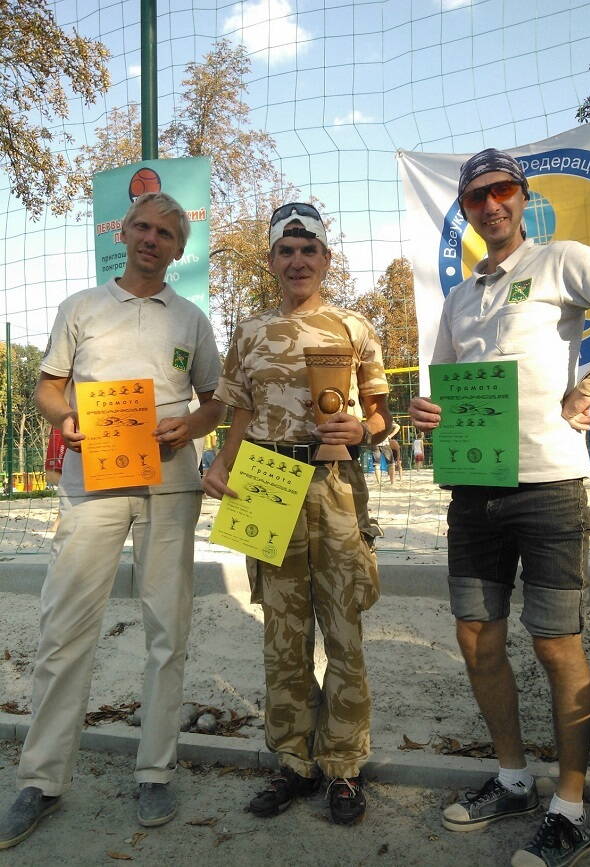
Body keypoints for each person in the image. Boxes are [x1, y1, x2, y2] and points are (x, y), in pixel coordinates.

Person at [410, 148, 590, 867]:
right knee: (476, 637)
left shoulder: (559, 260)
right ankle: (514, 779)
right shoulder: (459, 298)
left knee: (556, 644)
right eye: (476, 196)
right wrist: (428, 411)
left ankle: (569, 809)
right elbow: (447, 385)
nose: (491, 205)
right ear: (465, 209)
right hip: (473, 489)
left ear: (522, 196)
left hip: (549, 487)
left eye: (502, 190)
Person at [0, 192, 224, 850]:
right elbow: (48, 385)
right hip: (91, 483)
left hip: (170, 485)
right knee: (64, 627)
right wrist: (63, 417)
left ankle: (155, 770)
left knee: (167, 629)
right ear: (122, 233)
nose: (151, 239)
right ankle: (41, 778)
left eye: (165, 233)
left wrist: (193, 426)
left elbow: (215, 401)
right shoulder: (82, 308)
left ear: (180, 249)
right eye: (142, 227)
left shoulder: (191, 319)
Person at [203, 202, 391, 825]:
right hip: (265, 481)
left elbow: (380, 413)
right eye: (286, 251)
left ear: (326, 258)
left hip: (334, 484)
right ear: (272, 261)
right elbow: (240, 411)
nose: (298, 260)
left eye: (308, 249)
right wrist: (222, 463)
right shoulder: (250, 332)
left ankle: (343, 765)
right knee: (283, 634)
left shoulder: (354, 328)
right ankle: (293, 760)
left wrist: (364, 429)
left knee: (343, 628)